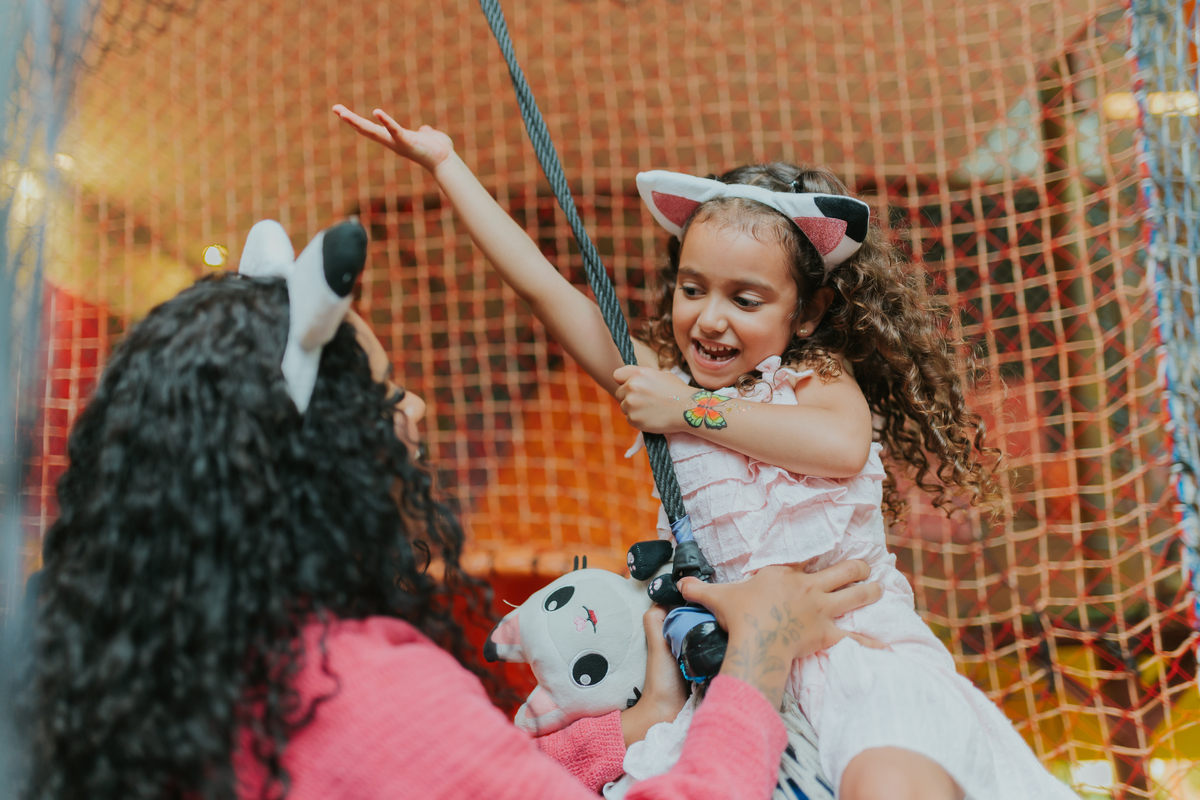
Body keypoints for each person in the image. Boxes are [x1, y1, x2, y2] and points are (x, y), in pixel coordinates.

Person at [331, 105, 1080, 800]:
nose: (710, 320)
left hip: (860, 656)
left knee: (890, 780)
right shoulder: (658, 382)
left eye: (746, 300)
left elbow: (842, 447)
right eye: (693, 289)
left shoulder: (814, 379)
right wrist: (446, 166)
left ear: (808, 309)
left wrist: (688, 409)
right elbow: (547, 293)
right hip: (734, 679)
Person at [19, 269, 885, 800]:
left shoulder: (167, 664)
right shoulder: (348, 686)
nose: (418, 409)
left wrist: (638, 724)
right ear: (315, 455)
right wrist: (754, 668)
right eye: (385, 394)